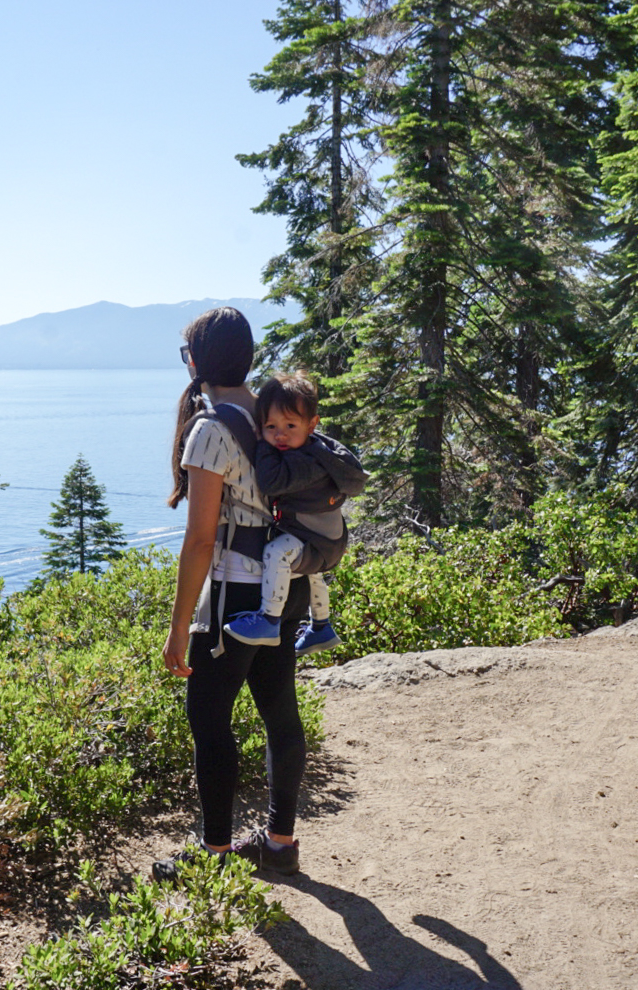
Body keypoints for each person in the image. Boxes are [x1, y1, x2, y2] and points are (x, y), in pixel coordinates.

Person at [155, 307, 306, 881]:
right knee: (279, 711)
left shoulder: (210, 428)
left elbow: (199, 541)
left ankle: (214, 855)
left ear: (196, 362)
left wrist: (177, 629)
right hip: (283, 587)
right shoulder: (270, 415)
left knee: (209, 718)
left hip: (234, 599)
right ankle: (280, 843)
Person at [223, 372, 367, 657]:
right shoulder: (321, 449)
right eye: (270, 426)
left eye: (290, 425)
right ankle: (321, 626)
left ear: (312, 424)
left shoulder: (306, 462)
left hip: (315, 540)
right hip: (327, 539)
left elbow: (271, 482)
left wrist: (261, 444)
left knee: (276, 553)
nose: (281, 434)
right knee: (310, 572)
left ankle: (268, 620)